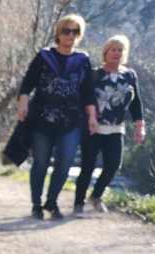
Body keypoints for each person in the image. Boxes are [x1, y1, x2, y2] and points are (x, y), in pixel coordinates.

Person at [17, 14, 98, 220]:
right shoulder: (44, 56)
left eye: (75, 31)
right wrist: (23, 105)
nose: (70, 35)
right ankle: (36, 204)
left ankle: (51, 202)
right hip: (42, 119)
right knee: (41, 163)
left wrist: (92, 117)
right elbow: (27, 84)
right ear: (58, 33)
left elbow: (88, 92)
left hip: (71, 121)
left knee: (65, 163)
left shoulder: (83, 60)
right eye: (66, 31)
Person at [74, 34, 147, 214]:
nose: (116, 53)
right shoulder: (94, 74)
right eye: (113, 50)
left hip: (116, 128)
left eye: (120, 50)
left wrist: (140, 125)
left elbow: (136, 102)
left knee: (113, 165)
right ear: (105, 53)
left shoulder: (130, 75)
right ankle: (78, 203)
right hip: (93, 127)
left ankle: (96, 195)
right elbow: (85, 99)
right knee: (87, 167)